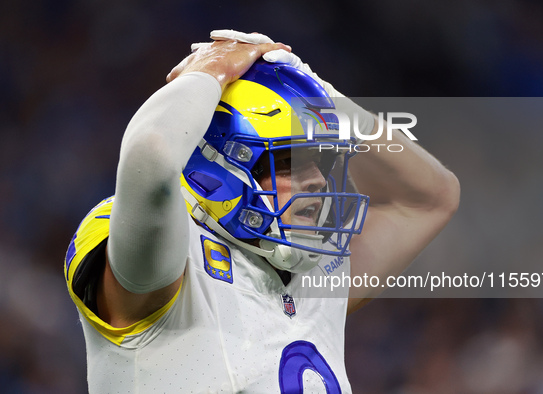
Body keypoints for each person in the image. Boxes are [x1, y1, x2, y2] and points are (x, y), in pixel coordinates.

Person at [64, 30, 460, 393]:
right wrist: (211, 70)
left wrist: (322, 94)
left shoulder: (315, 269)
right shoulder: (171, 255)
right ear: (217, 167)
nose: (317, 181)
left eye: (320, 161)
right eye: (287, 161)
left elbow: (432, 196)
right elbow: (150, 155)